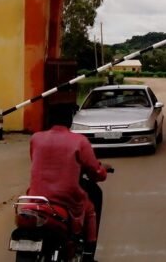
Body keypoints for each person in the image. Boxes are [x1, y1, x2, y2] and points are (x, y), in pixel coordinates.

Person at [28, 103, 110, 262]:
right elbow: (96, 172)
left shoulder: (36, 138)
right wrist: (103, 169)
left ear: (49, 120)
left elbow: (35, 160)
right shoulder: (79, 141)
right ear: (70, 121)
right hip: (66, 198)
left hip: (37, 197)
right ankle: (88, 253)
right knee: (90, 207)